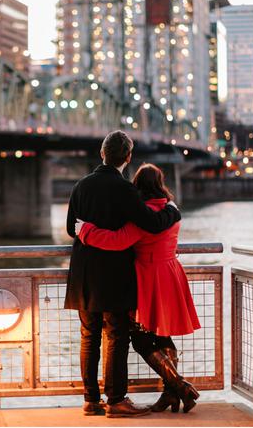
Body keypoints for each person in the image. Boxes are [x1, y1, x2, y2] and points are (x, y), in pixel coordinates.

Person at [64, 131, 182, 418]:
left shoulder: (81, 186)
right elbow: (152, 224)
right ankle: (116, 400)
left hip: (82, 274)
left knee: (89, 336)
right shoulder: (124, 189)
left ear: (102, 154)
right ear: (127, 158)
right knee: (116, 336)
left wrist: (86, 232)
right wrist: (173, 212)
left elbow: (71, 229)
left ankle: (91, 400)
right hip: (113, 275)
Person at [75, 163, 201, 413]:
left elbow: (117, 240)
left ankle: (180, 388)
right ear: (160, 183)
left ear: (137, 186)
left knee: (142, 338)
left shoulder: (140, 217)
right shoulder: (170, 210)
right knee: (163, 334)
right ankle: (171, 394)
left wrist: (85, 231)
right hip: (171, 274)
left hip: (147, 278)